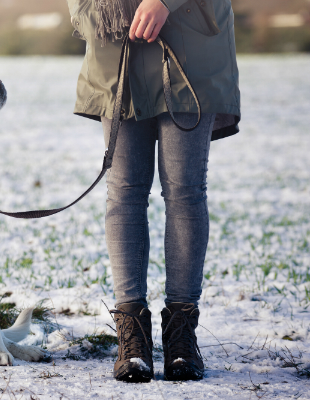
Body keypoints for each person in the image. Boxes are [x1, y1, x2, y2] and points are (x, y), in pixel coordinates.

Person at [66, 0, 240, 382]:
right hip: (117, 46)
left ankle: (181, 336)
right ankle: (133, 337)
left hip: (190, 44)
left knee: (185, 191)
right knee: (124, 191)